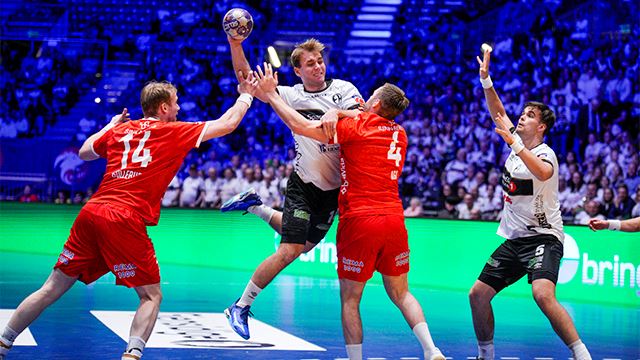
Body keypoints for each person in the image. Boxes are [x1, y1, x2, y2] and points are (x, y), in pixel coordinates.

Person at [0, 78, 258, 360]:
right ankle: (131, 356)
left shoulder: (120, 130)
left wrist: (111, 125)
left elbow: (85, 152)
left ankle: (3, 341)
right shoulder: (173, 131)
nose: (179, 107)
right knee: (151, 296)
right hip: (124, 217)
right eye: (175, 103)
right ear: (163, 108)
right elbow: (228, 123)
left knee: (50, 288)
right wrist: (246, 95)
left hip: (92, 212)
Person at [255, 63, 445, 359]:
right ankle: (431, 349)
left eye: (370, 97)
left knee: (350, 300)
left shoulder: (357, 127)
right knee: (401, 293)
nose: (363, 101)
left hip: (360, 220)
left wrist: (273, 96)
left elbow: (301, 127)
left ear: (377, 104)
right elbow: (364, 116)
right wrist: (338, 112)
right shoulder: (400, 134)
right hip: (394, 219)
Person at [222, 36, 363, 340]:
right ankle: (240, 305)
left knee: (305, 246)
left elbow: (365, 119)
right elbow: (246, 79)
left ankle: (255, 206)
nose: (318, 67)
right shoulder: (289, 94)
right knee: (290, 249)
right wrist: (236, 44)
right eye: (310, 64)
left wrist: (335, 113)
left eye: (320, 61)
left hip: (332, 191)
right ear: (298, 71)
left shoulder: (344, 90)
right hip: (303, 184)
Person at [468, 48, 592, 360]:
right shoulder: (517, 144)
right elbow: (497, 111)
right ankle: (486, 355)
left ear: (542, 128)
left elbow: (543, 172)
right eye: (522, 113)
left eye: (530, 115)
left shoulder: (545, 152)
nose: (522, 116)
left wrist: (515, 144)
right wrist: (486, 80)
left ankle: (581, 354)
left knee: (542, 295)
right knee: (478, 295)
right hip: (515, 239)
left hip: (545, 236)